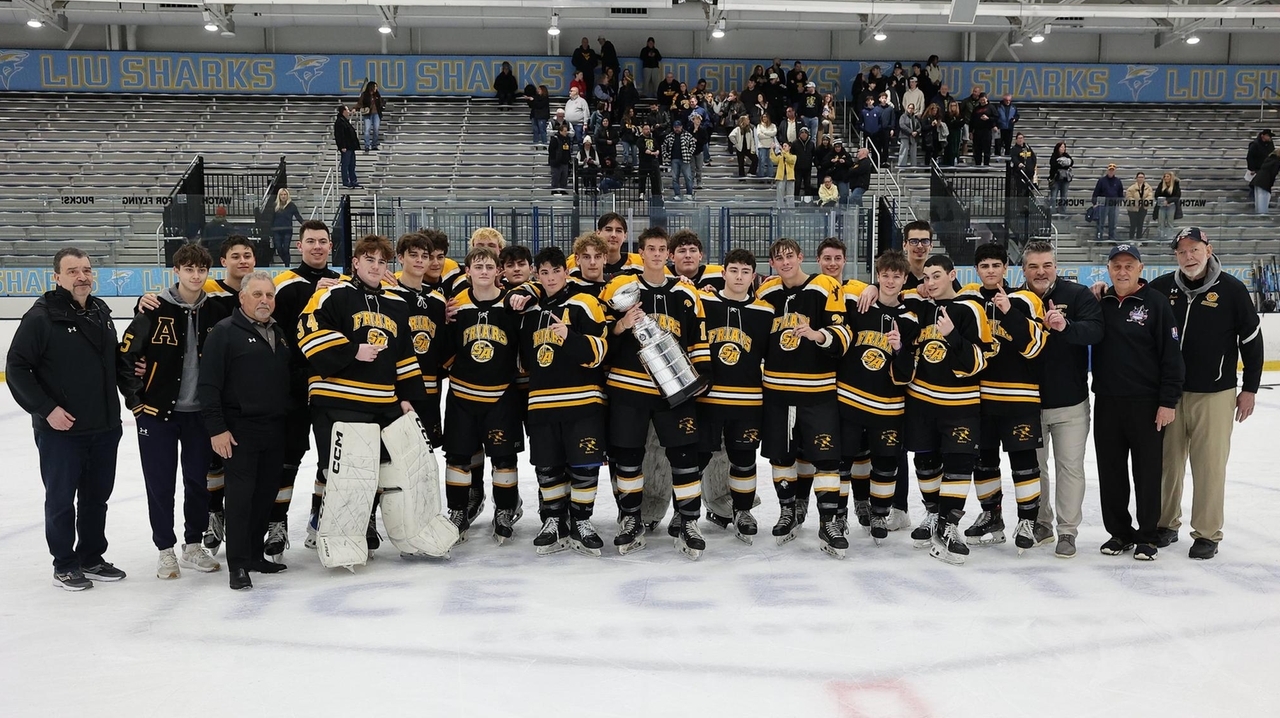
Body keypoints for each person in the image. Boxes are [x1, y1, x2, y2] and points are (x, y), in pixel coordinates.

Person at [297, 234, 433, 567]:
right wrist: (351, 350)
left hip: (382, 401)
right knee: (345, 472)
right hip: (337, 399)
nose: (375, 267)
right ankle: (333, 529)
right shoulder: (333, 294)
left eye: (382, 262)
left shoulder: (397, 303)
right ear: (355, 263)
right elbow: (307, 329)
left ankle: (367, 523)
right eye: (369, 260)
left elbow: (405, 356)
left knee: (380, 471)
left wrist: (409, 398)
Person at [7, 248, 126, 591]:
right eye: (72, 271)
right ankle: (64, 563)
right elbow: (17, 368)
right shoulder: (41, 317)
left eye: (86, 270)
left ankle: (91, 557)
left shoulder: (100, 311)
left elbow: (110, 363)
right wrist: (46, 409)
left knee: (96, 498)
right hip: (62, 430)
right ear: (56, 277)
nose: (82, 277)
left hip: (104, 426)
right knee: (61, 500)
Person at [1149, 228, 1263, 560]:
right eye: (1182, 252)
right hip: (1169, 395)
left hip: (1215, 394)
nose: (1189, 257)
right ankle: (1165, 524)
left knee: (1209, 466)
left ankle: (1207, 532)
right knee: (1167, 463)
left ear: (1208, 250)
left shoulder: (1232, 290)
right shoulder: (1160, 289)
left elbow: (1252, 342)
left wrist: (1250, 388)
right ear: (1175, 256)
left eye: (1195, 249)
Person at [117, 244, 229, 579]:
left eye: (201, 270)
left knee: (197, 482)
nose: (196, 276)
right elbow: (125, 358)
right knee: (160, 485)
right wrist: (136, 403)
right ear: (176, 271)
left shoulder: (218, 311)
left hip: (199, 416)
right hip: (157, 414)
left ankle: (192, 544)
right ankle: (165, 549)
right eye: (189, 269)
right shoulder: (153, 309)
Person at [599, 228, 711, 559]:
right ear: (642, 252)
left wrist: (701, 381)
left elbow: (698, 342)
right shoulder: (621, 289)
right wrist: (619, 325)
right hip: (627, 389)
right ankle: (630, 519)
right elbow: (601, 334)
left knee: (685, 458)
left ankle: (689, 521)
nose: (658, 254)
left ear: (670, 255)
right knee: (629, 459)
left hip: (673, 393)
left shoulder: (686, 294)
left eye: (664, 249)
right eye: (652, 249)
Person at [505, 246, 610, 555]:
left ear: (567, 272)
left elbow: (600, 351)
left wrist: (570, 337)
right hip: (541, 402)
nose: (550, 278)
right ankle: (553, 520)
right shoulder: (529, 310)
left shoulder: (584, 302)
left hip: (583, 402)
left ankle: (581, 520)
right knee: (547, 467)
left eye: (556, 271)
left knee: (584, 466)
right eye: (544, 272)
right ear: (538, 275)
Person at [756, 238, 854, 557]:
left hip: (818, 391)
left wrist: (818, 335)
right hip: (778, 393)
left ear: (801, 257)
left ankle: (829, 521)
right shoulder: (766, 292)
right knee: (782, 457)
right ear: (771, 264)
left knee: (826, 459)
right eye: (778, 258)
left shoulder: (825, 285)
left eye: (789, 256)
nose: (785, 262)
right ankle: (789, 511)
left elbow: (844, 332)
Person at [197, 271, 292, 589]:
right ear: (242, 298)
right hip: (239, 430)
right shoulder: (224, 332)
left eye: (269, 295)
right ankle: (237, 564)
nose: (264, 300)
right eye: (257, 295)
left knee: (264, 495)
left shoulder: (277, 332)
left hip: (274, 428)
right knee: (239, 498)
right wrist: (217, 429)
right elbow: (208, 385)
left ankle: (253, 554)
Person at [1092, 243, 1184, 561]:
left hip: (1146, 404)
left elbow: (1172, 357)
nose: (1122, 271)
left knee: (1146, 473)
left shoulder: (1156, 304)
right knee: (1112, 472)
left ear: (1140, 269)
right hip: (1107, 402)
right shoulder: (1100, 302)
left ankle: (1147, 536)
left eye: (1129, 265)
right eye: (1117, 265)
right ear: (1108, 269)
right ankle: (1119, 533)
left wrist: (1167, 402)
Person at [959, 243, 1049, 553]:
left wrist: (1009, 312)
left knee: (1023, 462)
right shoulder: (968, 301)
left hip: (1018, 399)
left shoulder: (1025, 300)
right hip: (980, 400)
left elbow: (1035, 348)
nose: (990, 271)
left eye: (996, 265)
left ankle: (1027, 520)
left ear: (1006, 269)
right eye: (984, 266)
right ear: (977, 270)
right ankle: (991, 516)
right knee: (984, 463)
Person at [1020, 241, 1103, 559]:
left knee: (1070, 469)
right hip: (1027, 404)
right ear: (1024, 268)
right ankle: (1041, 523)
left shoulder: (1078, 294)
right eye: (1034, 266)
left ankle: (1067, 531)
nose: (1041, 272)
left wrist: (1065, 326)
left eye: (1047, 265)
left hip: (1071, 404)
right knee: (1035, 470)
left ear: (1056, 266)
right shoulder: (1015, 299)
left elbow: (1096, 331)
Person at [269, 220, 342, 558]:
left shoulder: (343, 285)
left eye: (323, 242)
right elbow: (275, 330)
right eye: (310, 241)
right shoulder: (284, 284)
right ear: (299, 246)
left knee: (330, 459)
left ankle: (319, 517)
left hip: (332, 385)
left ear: (331, 247)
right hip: (292, 386)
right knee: (288, 458)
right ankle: (276, 522)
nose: (317, 247)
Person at [441, 248, 523, 544]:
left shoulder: (512, 305)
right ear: (468, 271)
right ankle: (458, 512)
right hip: (462, 396)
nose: (485, 271)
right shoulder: (456, 306)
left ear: (499, 271)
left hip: (501, 396)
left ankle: (504, 510)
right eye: (479, 266)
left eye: (490, 266)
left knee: (504, 460)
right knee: (459, 459)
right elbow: (447, 351)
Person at [696, 249, 774, 543]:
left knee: (744, 460)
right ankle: (686, 513)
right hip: (708, 400)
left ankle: (742, 511)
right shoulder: (704, 302)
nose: (739, 276)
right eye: (734, 270)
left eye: (745, 271)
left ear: (753, 276)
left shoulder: (765, 311)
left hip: (748, 401)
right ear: (724, 273)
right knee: (697, 458)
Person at [836, 250, 912, 543]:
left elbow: (906, 372)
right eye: (885, 275)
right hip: (851, 401)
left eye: (896, 276)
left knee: (885, 463)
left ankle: (880, 513)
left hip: (888, 407)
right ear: (877, 276)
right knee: (843, 462)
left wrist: (899, 350)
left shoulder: (909, 318)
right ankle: (838, 516)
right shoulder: (858, 305)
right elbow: (833, 287)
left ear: (904, 279)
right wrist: (865, 288)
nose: (890, 281)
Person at [663, 120, 696, 201]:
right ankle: (677, 194)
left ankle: (689, 193)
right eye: (675, 127)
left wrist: (689, 153)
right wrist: (666, 155)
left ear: (681, 127)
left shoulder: (687, 135)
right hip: (674, 159)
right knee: (675, 178)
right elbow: (664, 146)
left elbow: (693, 145)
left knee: (688, 177)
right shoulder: (669, 136)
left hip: (685, 159)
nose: (677, 129)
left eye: (678, 127)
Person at [270, 188, 303, 266]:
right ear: (279, 196)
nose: (283, 196)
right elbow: (271, 218)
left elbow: (298, 216)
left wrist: (304, 224)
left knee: (286, 249)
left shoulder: (291, 205)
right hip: (276, 230)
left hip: (287, 230)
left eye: (285, 194)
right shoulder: (275, 205)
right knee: (279, 248)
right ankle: (286, 262)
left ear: (288, 196)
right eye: (281, 195)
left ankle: (287, 265)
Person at [1091, 163, 1124, 242]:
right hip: (1103, 204)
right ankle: (1099, 238)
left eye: (1113, 170)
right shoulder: (1102, 180)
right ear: (1107, 170)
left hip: (1114, 204)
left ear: (1115, 171)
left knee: (1113, 223)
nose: (1111, 172)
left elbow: (1120, 193)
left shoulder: (1118, 181)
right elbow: (1096, 192)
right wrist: (1094, 202)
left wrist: (1120, 200)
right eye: (1110, 170)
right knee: (1101, 222)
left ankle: (1112, 238)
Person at [334, 105, 360, 189]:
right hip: (346, 147)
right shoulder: (339, 122)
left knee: (352, 165)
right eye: (347, 110)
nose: (348, 111)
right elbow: (339, 135)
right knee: (345, 164)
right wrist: (342, 146)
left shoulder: (344, 121)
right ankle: (345, 181)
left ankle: (353, 180)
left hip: (350, 146)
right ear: (343, 111)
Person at [635, 122, 662, 199]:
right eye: (646, 129)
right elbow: (643, 149)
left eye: (648, 129)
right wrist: (651, 153)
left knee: (654, 180)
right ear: (642, 130)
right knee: (642, 179)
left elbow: (657, 148)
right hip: (644, 162)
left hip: (653, 162)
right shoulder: (640, 140)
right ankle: (642, 193)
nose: (647, 131)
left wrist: (656, 152)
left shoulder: (653, 139)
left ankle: (656, 194)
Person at [1153, 172, 1183, 239]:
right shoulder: (1161, 184)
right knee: (1161, 223)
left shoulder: (1176, 185)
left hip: (1171, 206)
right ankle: (1161, 238)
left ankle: (1169, 238)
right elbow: (1156, 195)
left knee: (1170, 223)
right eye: (1165, 176)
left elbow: (1177, 196)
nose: (1166, 178)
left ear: (1171, 177)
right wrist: (1162, 201)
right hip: (1161, 206)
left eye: (1167, 176)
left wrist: (1168, 201)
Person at [356, 80, 385, 152]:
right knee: (367, 129)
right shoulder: (364, 95)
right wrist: (356, 108)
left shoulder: (377, 95)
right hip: (367, 113)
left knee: (376, 129)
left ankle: (374, 145)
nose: (376, 88)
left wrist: (382, 106)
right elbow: (360, 103)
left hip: (376, 113)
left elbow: (380, 102)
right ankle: (367, 145)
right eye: (375, 86)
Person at [1125, 172, 1154, 241]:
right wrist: (1136, 203)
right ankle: (1131, 238)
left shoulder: (1148, 188)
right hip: (1133, 209)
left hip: (1143, 208)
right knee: (1133, 224)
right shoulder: (1131, 188)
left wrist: (1144, 202)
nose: (1140, 179)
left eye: (1142, 177)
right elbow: (1129, 197)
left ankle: (1139, 239)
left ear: (1144, 178)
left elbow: (1150, 196)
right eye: (1139, 177)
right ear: (1136, 178)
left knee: (1140, 224)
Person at [1048, 142, 1074, 217]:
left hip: (1065, 179)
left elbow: (1071, 163)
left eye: (1064, 147)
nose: (1063, 149)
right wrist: (1063, 165)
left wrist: (1063, 164)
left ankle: (1063, 210)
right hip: (1056, 179)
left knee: (1064, 196)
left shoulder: (1067, 156)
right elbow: (1054, 165)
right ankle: (1052, 211)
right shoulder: (1054, 156)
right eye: (1061, 147)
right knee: (1053, 196)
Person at [1251, 147, 1280, 215]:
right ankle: (1263, 216)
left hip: (1257, 180)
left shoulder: (1269, 159)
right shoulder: (1276, 162)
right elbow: (1273, 173)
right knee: (1263, 200)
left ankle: (1259, 215)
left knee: (1258, 200)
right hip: (1264, 182)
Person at [969, 94, 996, 167]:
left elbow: (996, 118)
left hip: (987, 131)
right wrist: (970, 131)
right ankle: (978, 165)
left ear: (987, 99)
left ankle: (986, 165)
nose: (982, 101)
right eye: (981, 99)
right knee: (977, 150)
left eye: (984, 99)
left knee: (987, 149)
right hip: (977, 131)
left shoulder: (991, 107)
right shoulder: (976, 108)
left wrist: (988, 118)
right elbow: (972, 121)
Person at [729, 114, 758, 179]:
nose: (749, 120)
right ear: (743, 120)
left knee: (755, 159)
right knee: (741, 163)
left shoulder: (749, 129)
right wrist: (736, 143)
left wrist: (752, 148)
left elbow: (751, 139)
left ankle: (751, 172)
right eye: (747, 119)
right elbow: (731, 136)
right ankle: (741, 177)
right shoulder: (738, 129)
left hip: (748, 148)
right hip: (740, 148)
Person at [549, 123, 572, 194]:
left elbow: (568, 150)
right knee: (556, 176)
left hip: (565, 161)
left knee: (564, 177)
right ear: (560, 131)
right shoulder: (555, 139)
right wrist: (554, 160)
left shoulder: (567, 139)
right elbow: (551, 150)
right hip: (556, 162)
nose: (566, 132)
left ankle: (563, 189)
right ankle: (554, 189)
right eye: (565, 131)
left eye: (566, 131)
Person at [772, 141, 797, 208]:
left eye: (785, 146)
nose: (783, 147)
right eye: (783, 146)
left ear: (789, 148)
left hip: (790, 177)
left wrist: (783, 152)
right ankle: (780, 209)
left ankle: (791, 210)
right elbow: (774, 160)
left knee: (790, 195)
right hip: (781, 177)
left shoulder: (793, 156)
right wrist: (772, 149)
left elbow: (789, 159)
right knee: (780, 195)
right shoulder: (780, 157)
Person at [755, 115, 777, 180]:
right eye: (763, 117)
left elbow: (774, 133)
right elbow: (759, 135)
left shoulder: (773, 125)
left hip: (770, 146)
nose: (764, 118)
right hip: (762, 146)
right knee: (762, 162)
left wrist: (764, 132)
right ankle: (761, 177)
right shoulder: (759, 126)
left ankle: (770, 177)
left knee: (770, 163)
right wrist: (769, 136)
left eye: (766, 117)